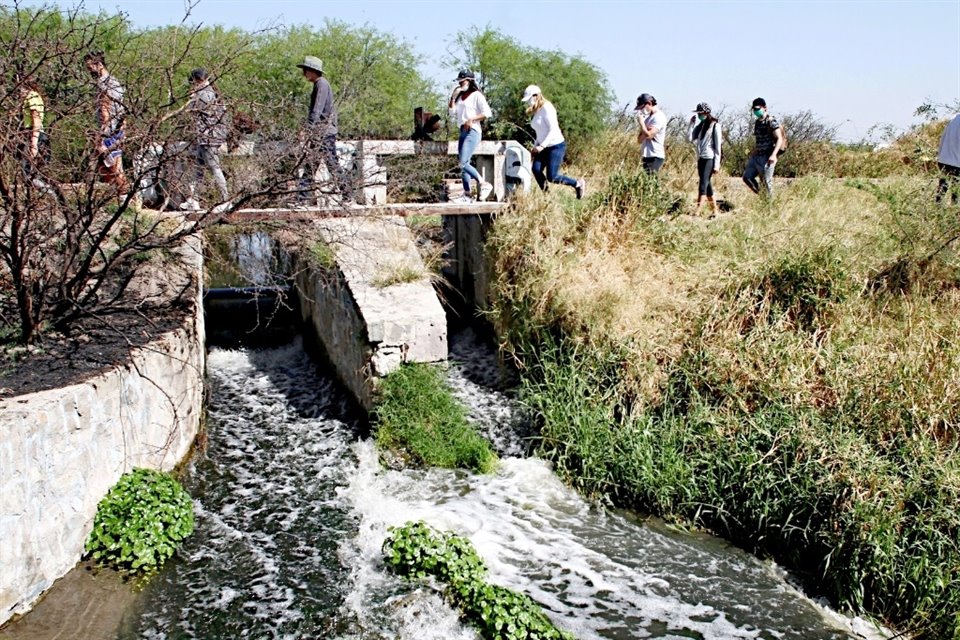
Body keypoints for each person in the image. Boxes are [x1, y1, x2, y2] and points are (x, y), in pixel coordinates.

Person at [295, 55, 353, 207]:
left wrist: (308, 129)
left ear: (312, 71)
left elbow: (317, 109)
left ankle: (347, 195)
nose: (304, 74)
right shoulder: (320, 84)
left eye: (305, 70)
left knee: (328, 165)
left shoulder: (321, 84)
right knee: (312, 165)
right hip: (322, 132)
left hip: (323, 133)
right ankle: (302, 199)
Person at [521, 84, 585, 199]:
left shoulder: (547, 107)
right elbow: (540, 132)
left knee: (552, 176)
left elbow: (553, 129)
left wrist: (541, 146)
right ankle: (548, 197)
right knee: (536, 170)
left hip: (555, 146)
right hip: (542, 146)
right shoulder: (537, 111)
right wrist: (536, 146)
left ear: (536, 96)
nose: (528, 102)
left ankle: (578, 184)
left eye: (529, 99)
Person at [179, 68, 230, 213]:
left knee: (214, 168)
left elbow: (190, 110)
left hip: (209, 137)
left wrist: (192, 98)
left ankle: (226, 200)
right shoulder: (209, 92)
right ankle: (194, 200)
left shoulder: (205, 94)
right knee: (198, 169)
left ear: (197, 80)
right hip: (205, 137)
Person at [84, 51, 129, 197]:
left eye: (90, 67)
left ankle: (124, 196)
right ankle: (117, 195)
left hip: (109, 132)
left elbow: (105, 110)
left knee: (114, 166)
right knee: (106, 166)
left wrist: (101, 135)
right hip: (118, 128)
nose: (89, 71)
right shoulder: (115, 82)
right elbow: (123, 109)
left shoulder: (104, 84)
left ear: (99, 65)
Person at [448, 70, 493, 204]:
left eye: (463, 81)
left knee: (463, 162)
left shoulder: (477, 95)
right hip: (462, 130)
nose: (461, 83)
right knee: (464, 164)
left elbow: (487, 113)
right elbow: (452, 113)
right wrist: (452, 97)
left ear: (470, 81)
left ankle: (484, 184)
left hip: (473, 130)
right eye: (460, 81)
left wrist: (471, 119)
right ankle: (467, 194)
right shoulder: (460, 96)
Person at [16, 78, 53, 193]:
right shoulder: (31, 98)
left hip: (35, 135)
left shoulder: (32, 97)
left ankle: (50, 194)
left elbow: (36, 120)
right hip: (31, 134)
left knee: (29, 173)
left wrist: (34, 143)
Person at [742, 97, 783, 199]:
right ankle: (762, 196)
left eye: (757, 108)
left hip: (767, 156)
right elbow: (758, 140)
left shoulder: (771, 121)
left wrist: (773, 155)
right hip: (757, 155)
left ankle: (770, 206)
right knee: (747, 177)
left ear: (764, 108)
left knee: (766, 183)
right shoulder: (757, 122)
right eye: (754, 109)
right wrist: (753, 153)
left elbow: (779, 139)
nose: (756, 111)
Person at [687, 102, 722, 215]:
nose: (699, 115)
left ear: (706, 113)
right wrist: (690, 125)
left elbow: (718, 147)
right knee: (707, 185)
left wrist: (716, 165)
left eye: (701, 113)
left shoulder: (715, 125)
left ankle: (697, 210)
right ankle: (715, 210)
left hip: (709, 158)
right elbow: (690, 138)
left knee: (703, 184)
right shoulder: (700, 126)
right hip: (700, 158)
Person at [635, 93, 667, 174]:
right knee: (647, 181)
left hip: (655, 155)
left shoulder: (659, 117)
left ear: (649, 103)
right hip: (646, 155)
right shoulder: (647, 119)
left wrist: (642, 124)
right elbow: (639, 140)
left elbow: (649, 136)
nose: (641, 110)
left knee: (651, 180)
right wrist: (645, 130)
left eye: (642, 107)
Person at [936, 112, 960, 204]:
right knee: (956, 193)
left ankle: (937, 211)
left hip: (944, 159)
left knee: (941, 190)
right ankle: (953, 215)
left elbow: (943, 137)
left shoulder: (954, 117)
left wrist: (940, 155)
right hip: (957, 162)